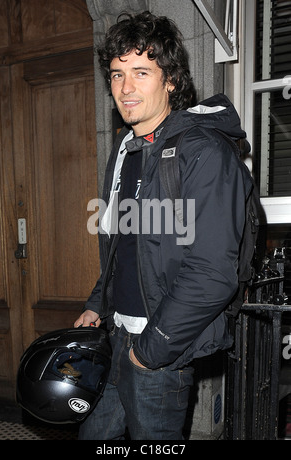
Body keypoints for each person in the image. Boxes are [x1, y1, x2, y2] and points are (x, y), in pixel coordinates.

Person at [74, 11, 253, 440]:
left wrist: (149, 351)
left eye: (141, 72)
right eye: (117, 74)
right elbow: (124, 243)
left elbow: (212, 273)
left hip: (160, 354)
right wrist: (98, 303)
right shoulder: (127, 149)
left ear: (170, 79)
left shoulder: (204, 153)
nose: (125, 88)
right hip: (117, 337)